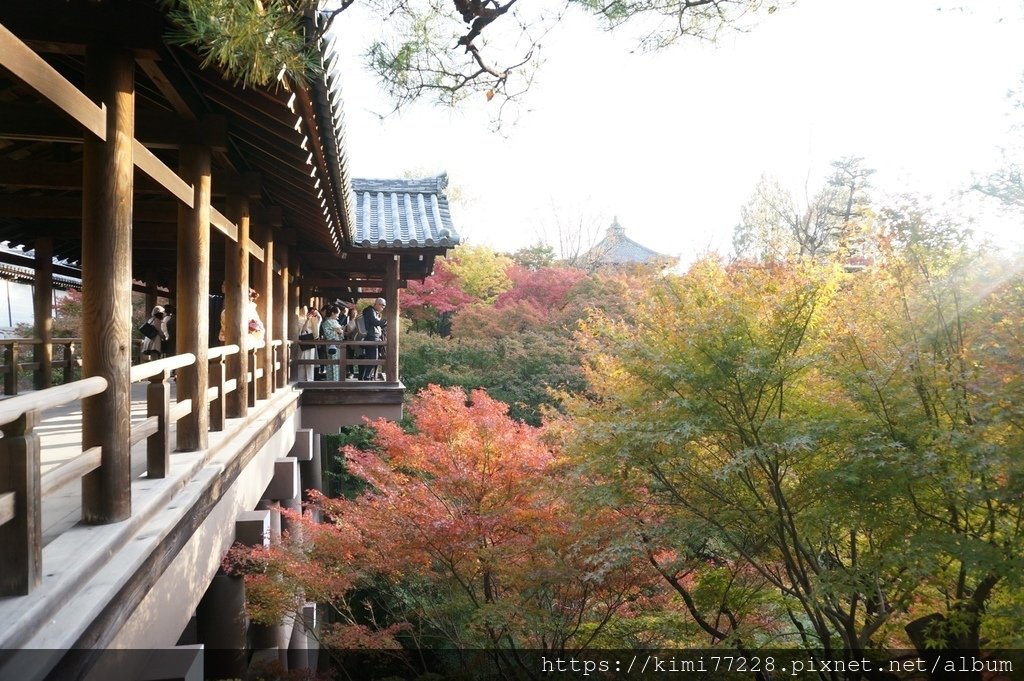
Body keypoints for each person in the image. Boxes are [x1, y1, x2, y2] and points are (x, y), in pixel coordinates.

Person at [360, 297, 387, 380]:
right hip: (371, 337)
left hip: (374, 337)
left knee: (373, 358)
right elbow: (375, 322)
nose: (383, 308)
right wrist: (386, 320)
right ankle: (366, 376)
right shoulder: (370, 310)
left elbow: (378, 324)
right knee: (373, 358)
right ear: (377, 304)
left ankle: (368, 376)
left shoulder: (374, 312)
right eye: (382, 306)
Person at [319, 304, 344, 382]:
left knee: (338, 363)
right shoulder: (326, 322)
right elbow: (327, 335)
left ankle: (337, 380)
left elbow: (341, 336)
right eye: (337, 313)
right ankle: (331, 381)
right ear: (333, 313)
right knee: (331, 363)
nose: (338, 315)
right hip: (331, 345)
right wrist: (336, 331)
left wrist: (340, 333)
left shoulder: (336, 322)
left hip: (338, 345)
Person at [296, 305, 321, 382]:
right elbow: (303, 330)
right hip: (303, 339)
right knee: (302, 359)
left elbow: (318, 321)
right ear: (300, 310)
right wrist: (307, 320)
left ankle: (310, 379)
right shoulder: (299, 318)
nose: (304, 311)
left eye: (306, 309)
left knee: (310, 360)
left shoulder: (311, 318)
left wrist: (317, 314)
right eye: (303, 309)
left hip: (310, 338)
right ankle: (301, 379)